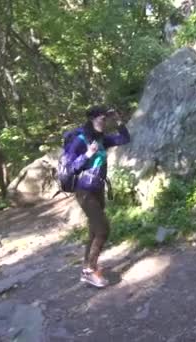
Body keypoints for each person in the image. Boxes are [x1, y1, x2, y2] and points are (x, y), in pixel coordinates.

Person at [65, 106, 130, 288]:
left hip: (98, 189)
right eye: (101, 119)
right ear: (92, 119)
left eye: (105, 120)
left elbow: (125, 138)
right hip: (84, 191)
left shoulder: (101, 139)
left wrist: (118, 120)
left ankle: (87, 267)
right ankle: (89, 270)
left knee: (94, 230)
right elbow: (70, 168)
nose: (104, 123)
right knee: (103, 230)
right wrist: (87, 154)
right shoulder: (80, 140)